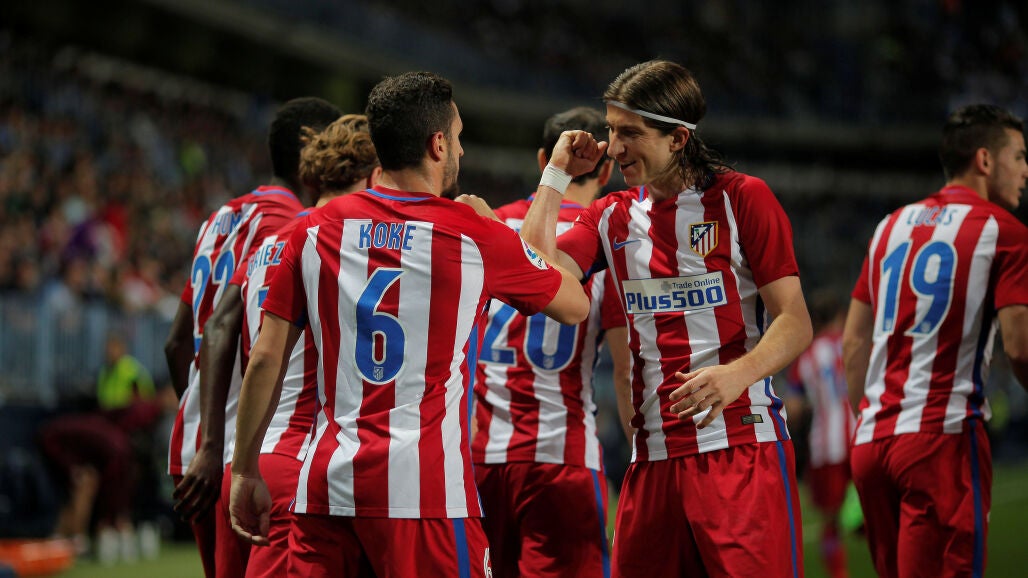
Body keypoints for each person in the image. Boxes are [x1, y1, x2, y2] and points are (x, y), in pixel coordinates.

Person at [228, 71, 590, 578]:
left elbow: (266, 357)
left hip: (326, 490)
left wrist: (244, 469)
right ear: (437, 144)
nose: (460, 150)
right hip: (426, 497)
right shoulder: (474, 235)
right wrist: (504, 218)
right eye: (458, 137)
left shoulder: (311, 230)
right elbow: (575, 304)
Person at [519, 59, 812, 577]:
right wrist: (556, 174)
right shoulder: (610, 216)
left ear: (678, 138)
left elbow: (794, 321)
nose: (614, 148)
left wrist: (737, 374)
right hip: (652, 457)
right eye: (611, 131)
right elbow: (537, 273)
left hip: (739, 448)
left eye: (630, 133)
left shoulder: (742, 199)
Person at [842, 103, 1028, 578]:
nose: (1025, 171)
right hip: (939, 441)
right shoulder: (1004, 232)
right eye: (1019, 157)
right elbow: (1020, 348)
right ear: (984, 160)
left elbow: (853, 343)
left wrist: (871, 420)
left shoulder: (889, 226)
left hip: (872, 444)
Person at [164, 97, 342, 578]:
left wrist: (199, 424)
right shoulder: (286, 224)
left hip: (196, 444)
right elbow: (223, 326)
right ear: (310, 149)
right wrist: (216, 441)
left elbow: (177, 344)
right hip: (236, 451)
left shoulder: (218, 219)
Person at [201, 114, 381, 578]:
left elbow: (221, 324)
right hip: (298, 460)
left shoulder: (266, 245)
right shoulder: (341, 240)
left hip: (242, 456)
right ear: (374, 175)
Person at [472, 107, 629, 578]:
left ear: (544, 160)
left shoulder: (486, 225)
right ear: (606, 171)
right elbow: (625, 369)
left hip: (480, 457)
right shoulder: (610, 238)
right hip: (563, 456)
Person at [785, 290, 855, 578]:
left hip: (826, 447)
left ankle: (839, 574)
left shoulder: (807, 357)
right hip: (861, 439)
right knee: (882, 512)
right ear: (841, 315)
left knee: (830, 521)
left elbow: (793, 407)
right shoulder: (855, 343)